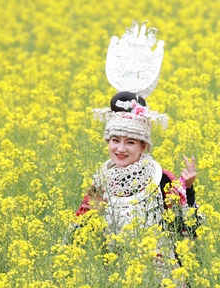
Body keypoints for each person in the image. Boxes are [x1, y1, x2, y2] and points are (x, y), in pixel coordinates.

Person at [76, 90, 199, 237]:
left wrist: (188, 189)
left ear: (143, 147)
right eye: (115, 140)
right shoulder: (102, 181)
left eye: (130, 142)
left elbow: (188, 231)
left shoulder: (160, 178)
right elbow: (81, 230)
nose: (121, 149)